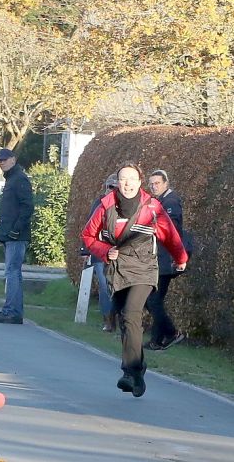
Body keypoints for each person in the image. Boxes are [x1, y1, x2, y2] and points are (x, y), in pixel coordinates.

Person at [82, 163, 187, 397]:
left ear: (140, 182)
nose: (127, 183)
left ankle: (129, 371)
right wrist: (104, 250)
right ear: (117, 183)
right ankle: (138, 372)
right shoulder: (105, 206)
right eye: (122, 179)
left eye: (131, 179)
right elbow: (88, 236)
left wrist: (180, 257)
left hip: (144, 268)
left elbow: (170, 235)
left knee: (131, 313)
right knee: (124, 319)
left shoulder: (152, 207)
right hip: (118, 269)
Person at [0, 148, 35, 324]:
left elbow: (27, 207)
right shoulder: (12, 179)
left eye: (5, 159)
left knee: (12, 272)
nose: (2, 162)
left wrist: (16, 229)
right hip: (11, 234)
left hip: (16, 235)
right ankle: (14, 311)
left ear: (13, 160)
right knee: (14, 273)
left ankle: (11, 311)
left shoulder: (19, 179)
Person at [145, 170, 188, 350]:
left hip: (165, 260)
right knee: (156, 300)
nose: (154, 186)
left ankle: (171, 333)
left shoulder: (170, 202)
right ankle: (156, 340)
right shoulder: (160, 201)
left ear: (165, 183)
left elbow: (172, 228)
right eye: (152, 184)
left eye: (157, 183)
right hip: (160, 259)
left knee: (152, 300)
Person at [79, 174, 119, 332]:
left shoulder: (127, 205)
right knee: (104, 286)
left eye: (115, 188)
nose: (112, 190)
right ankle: (108, 320)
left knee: (119, 287)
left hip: (119, 252)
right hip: (100, 252)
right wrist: (85, 250)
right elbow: (89, 228)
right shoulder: (100, 203)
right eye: (110, 187)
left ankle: (121, 318)